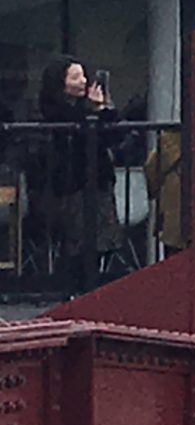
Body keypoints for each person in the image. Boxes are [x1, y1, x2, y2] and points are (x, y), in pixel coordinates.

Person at [29, 58, 136, 286]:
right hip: (70, 185)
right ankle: (71, 285)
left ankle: (91, 282)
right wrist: (93, 112)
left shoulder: (84, 107)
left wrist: (102, 109)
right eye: (75, 77)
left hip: (97, 181)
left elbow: (112, 137)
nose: (84, 81)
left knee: (104, 240)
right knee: (77, 241)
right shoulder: (54, 111)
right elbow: (77, 132)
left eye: (83, 76)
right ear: (61, 82)